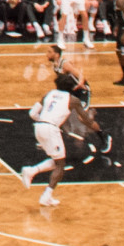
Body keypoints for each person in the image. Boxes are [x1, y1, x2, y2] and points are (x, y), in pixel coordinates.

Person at [18, 73, 76, 206]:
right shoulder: (72, 100)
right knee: (60, 165)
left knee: (57, 161)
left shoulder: (49, 94)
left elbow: (32, 113)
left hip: (39, 127)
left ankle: (33, 172)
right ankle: (45, 194)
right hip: (50, 129)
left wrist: (44, 121)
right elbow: (85, 119)